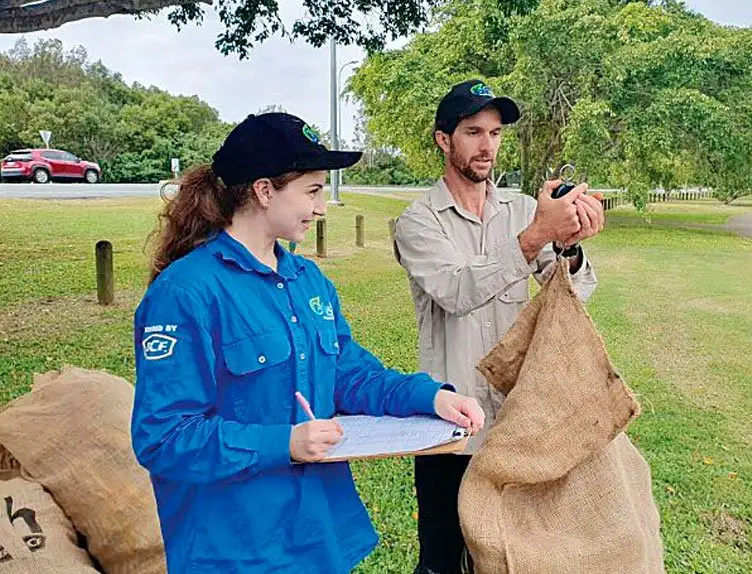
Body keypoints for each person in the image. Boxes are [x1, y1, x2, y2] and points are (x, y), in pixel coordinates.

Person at [130, 112, 485, 574]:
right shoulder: (185, 294)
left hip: (317, 539)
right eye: (313, 192)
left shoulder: (306, 279)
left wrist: (431, 397)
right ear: (263, 191)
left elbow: (347, 373)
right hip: (236, 550)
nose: (320, 208)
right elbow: (163, 436)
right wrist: (285, 443)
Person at [393, 80, 605, 574]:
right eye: (473, 132)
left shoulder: (522, 209)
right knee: (444, 560)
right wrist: (535, 238)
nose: (487, 145)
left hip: (517, 419)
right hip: (451, 426)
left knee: (516, 554)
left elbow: (571, 290)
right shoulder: (419, 221)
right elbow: (455, 291)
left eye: (495, 132)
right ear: (443, 140)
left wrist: (569, 245)